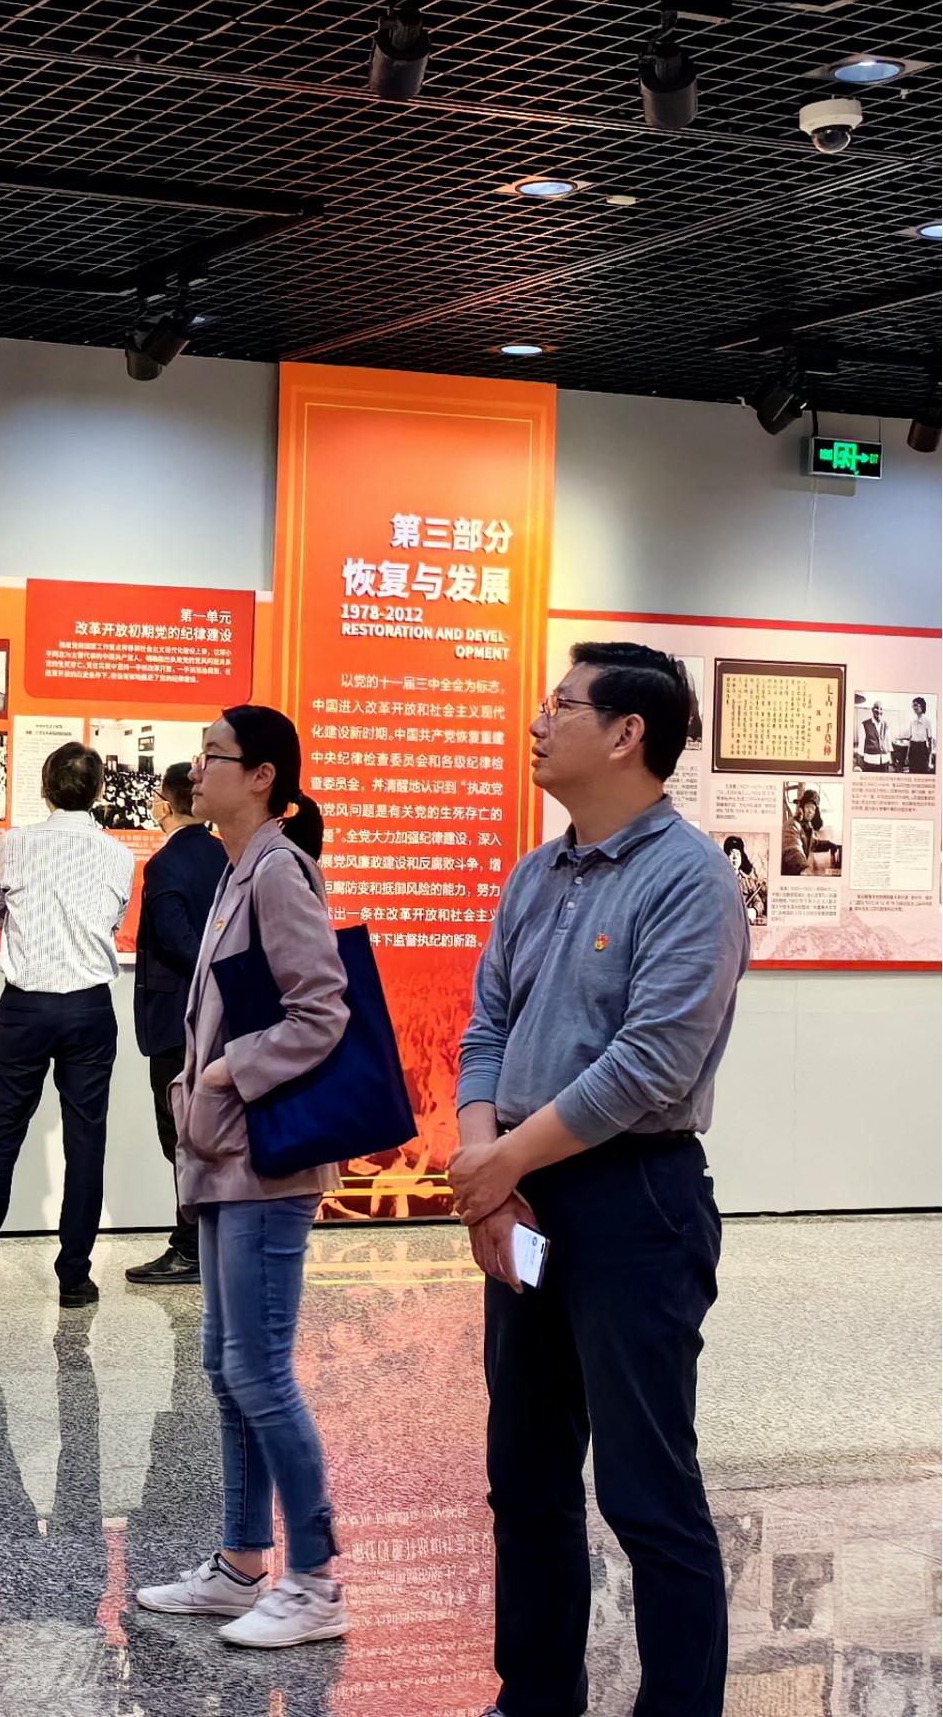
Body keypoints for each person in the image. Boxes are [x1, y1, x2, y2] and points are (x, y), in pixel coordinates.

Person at [453, 642, 750, 1717]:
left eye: (561, 704)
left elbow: (650, 1065)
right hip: (528, 1198)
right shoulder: (537, 874)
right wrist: (488, 1169)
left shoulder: (690, 879)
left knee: (645, 1490)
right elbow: (486, 1025)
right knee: (525, 1476)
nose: (537, 721)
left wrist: (501, 1162)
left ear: (628, 733)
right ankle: (534, 1697)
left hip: (634, 1203)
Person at [133, 703, 354, 1651]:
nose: (197, 769)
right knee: (228, 1368)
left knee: (259, 1370)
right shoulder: (236, 868)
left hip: (266, 1160)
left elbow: (323, 1010)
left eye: (213, 755)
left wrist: (226, 1072)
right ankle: (240, 1563)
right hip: (225, 1156)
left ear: (262, 775)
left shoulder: (279, 871)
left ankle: (316, 1580)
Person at [0, 740, 135, 1311]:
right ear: (99, 792)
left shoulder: (16, 843)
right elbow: (113, 920)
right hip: (89, 1008)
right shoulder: (118, 854)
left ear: (44, 788)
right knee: (86, 1143)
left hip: (26, 1007)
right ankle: (76, 1278)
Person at [128, 760, 221, 1288]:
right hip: (219, 1017)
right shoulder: (223, 854)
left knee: (181, 1138)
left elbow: (176, 940)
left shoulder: (165, 865)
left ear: (164, 803)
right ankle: (206, 1241)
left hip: (177, 1019)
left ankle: (189, 1248)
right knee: (209, 1134)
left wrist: (208, 969)